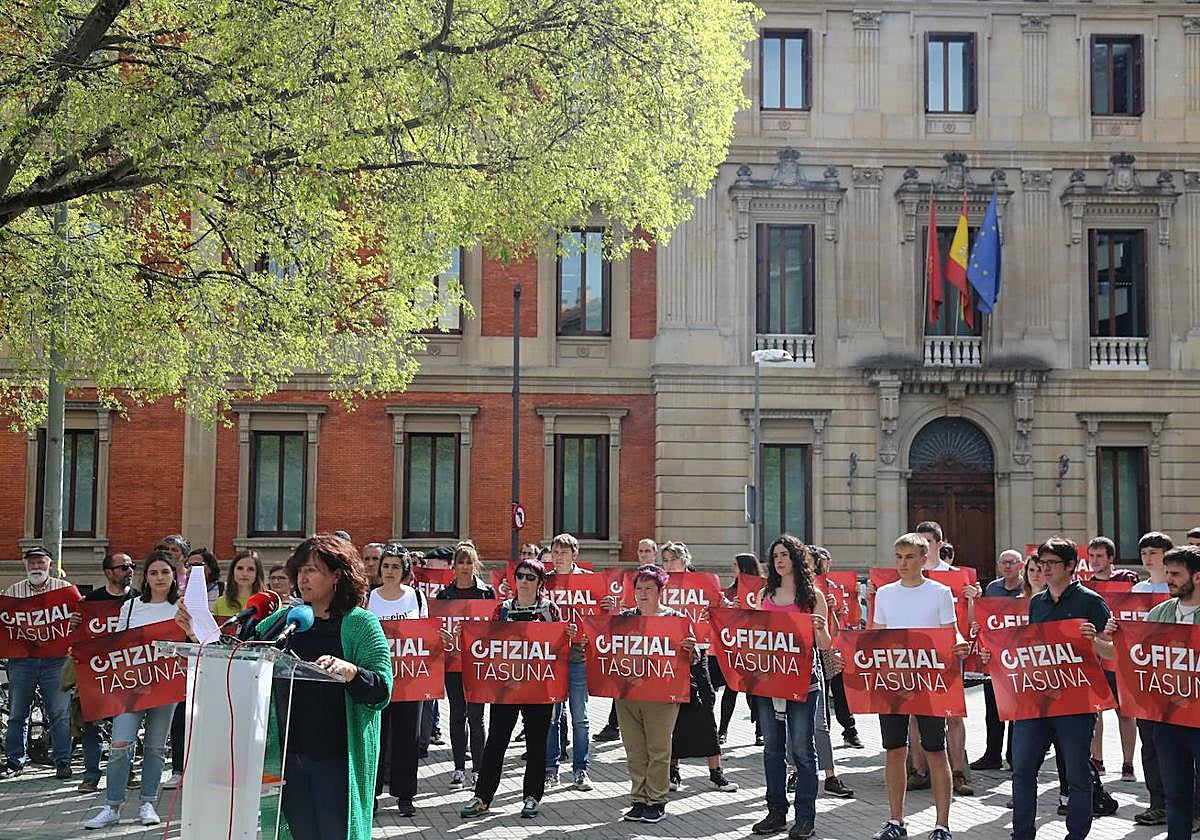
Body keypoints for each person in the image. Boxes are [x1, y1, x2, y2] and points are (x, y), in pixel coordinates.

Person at [203, 533, 391, 840]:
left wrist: (351, 671)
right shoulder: (287, 621)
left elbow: (381, 690)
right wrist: (198, 631)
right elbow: (242, 653)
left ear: (337, 575)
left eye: (312, 570)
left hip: (337, 759)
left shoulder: (361, 624)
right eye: (300, 571)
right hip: (290, 757)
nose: (303, 578)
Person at [1000, 537, 1114, 840]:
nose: (1044, 569)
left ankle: (1076, 834)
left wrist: (1094, 641)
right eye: (1042, 563)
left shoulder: (1091, 601)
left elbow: (1115, 653)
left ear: (1070, 566)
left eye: (1052, 563)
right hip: (1036, 700)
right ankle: (1022, 833)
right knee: (1023, 769)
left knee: (1077, 773)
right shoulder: (1037, 602)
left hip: (1076, 703)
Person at [868, 533, 969, 840]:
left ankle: (941, 825)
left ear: (924, 560)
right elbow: (877, 636)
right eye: (898, 557)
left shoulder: (939, 592)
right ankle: (895, 821)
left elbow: (952, 632)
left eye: (909, 557)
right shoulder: (885, 594)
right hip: (893, 682)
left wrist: (960, 644)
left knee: (935, 751)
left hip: (930, 682)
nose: (903, 563)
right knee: (894, 751)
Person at [83, 551, 182, 829]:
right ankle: (112, 806)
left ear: (173, 576)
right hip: (130, 686)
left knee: (155, 747)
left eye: (165, 572)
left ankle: (148, 803)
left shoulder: (182, 607)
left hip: (166, 685)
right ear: (145, 577)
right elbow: (117, 645)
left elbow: (198, 642)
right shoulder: (130, 607)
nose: (159, 578)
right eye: (154, 573)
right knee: (120, 744)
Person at [459, 558, 562, 820]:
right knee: (496, 741)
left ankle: (532, 797)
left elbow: (558, 648)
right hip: (506, 686)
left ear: (540, 582)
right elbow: (488, 643)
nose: (524, 581)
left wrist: (568, 635)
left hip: (538, 686)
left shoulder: (550, 610)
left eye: (530, 577)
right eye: (520, 576)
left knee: (536, 743)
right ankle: (482, 797)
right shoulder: (502, 610)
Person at [749, 535, 833, 840]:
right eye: (775, 556)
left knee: (802, 749)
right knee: (772, 748)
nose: (779, 561)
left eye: (784, 554)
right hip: (769, 680)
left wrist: (819, 629)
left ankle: (805, 818)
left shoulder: (813, 596)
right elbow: (754, 634)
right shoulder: (765, 594)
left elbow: (825, 644)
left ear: (796, 558)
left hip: (803, 681)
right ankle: (776, 812)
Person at [1116, 544, 1200, 839]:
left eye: (1175, 574)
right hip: (1167, 721)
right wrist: (1105, 641)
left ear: (1198, 577)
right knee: (1176, 794)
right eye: (1167, 573)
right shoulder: (1159, 613)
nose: (1169, 580)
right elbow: (1133, 658)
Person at [614, 564, 696, 824]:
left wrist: (691, 649)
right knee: (634, 749)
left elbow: (694, 658)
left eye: (648, 588)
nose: (642, 593)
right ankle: (639, 799)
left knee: (658, 749)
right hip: (628, 693)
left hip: (662, 694)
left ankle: (657, 801)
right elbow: (607, 649)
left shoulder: (675, 618)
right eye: (638, 588)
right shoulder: (624, 618)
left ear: (661, 591)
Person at [661, 541, 737, 794]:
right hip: (670, 655)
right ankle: (673, 771)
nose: (668, 565)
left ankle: (716, 772)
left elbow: (722, 610)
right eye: (665, 560)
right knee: (673, 713)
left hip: (698, 654)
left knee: (706, 709)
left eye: (672, 559)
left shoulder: (703, 584)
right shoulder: (660, 585)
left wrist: (721, 609)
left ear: (684, 561)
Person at [908, 521, 976, 798]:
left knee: (954, 713)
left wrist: (973, 600)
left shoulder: (957, 577)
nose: (922, 546)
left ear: (939, 544)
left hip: (948, 651)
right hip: (916, 652)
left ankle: (957, 772)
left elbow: (970, 622)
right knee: (915, 712)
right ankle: (918, 769)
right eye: (918, 541)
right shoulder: (908, 574)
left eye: (927, 541)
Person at [1, 546, 75, 781]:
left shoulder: (65, 590)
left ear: (49, 564)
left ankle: (63, 761)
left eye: (40, 562)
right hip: (22, 660)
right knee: (17, 713)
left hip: (56, 660)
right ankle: (15, 761)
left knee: (59, 713)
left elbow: (80, 618)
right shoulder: (13, 592)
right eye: (32, 563)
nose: (36, 567)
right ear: (25, 565)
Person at [70, 553, 138, 793]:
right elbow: (77, 637)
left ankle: (127, 772)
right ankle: (90, 776)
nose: (130, 570)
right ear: (109, 573)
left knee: (126, 725)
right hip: (95, 673)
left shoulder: (139, 599)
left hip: (127, 673)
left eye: (131, 566)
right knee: (92, 726)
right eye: (123, 567)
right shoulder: (91, 601)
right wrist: (74, 624)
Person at [367, 543, 427, 817]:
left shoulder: (416, 597)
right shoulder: (369, 598)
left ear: (405, 570)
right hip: (378, 678)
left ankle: (405, 795)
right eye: (386, 566)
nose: (389, 571)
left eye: (395, 566)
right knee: (376, 737)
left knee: (407, 738)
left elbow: (425, 633)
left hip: (409, 679)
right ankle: (372, 794)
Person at [435, 540, 494, 789]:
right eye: (461, 562)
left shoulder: (487, 593)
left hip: (478, 664)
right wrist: (442, 635)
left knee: (476, 717)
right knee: (457, 714)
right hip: (453, 664)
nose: (465, 567)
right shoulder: (444, 596)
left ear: (475, 565)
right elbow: (435, 628)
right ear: (454, 566)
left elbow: (495, 628)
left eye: (469, 562)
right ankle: (459, 768)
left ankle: (479, 770)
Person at [594, 537, 662, 744]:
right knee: (626, 678)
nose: (643, 554)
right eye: (641, 551)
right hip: (633, 633)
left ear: (655, 553)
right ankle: (615, 724)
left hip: (657, 634)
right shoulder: (630, 577)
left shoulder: (664, 576)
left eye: (647, 551)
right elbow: (624, 605)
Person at [1084, 536, 1138, 782]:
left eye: (1099, 556)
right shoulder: (1086, 586)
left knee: (1125, 712)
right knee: (1096, 712)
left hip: (1120, 656)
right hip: (1095, 656)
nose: (1094, 561)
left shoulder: (1128, 580)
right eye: (1091, 556)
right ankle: (1097, 760)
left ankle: (1128, 764)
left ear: (1110, 558)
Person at [543, 533, 593, 791]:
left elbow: (602, 619)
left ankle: (581, 769)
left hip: (578, 658)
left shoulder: (590, 582)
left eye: (564, 552)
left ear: (575, 554)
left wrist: (608, 605)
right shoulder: (544, 581)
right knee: (551, 717)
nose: (558, 557)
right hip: (551, 660)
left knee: (579, 717)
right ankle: (550, 769)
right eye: (555, 552)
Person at [1130, 531, 1173, 826]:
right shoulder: (1137, 589)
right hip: (1147, 678)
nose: (1147, 558)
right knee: (1150, 744)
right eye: (1143, 553)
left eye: (1153, 552)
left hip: (1176, 677)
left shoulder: (1178, 591)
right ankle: (1157, 802)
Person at [970, 549, 1023, 772]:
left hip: (1019, 660)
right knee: (993, 710)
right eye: (1004, 562)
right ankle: (992, 754)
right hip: (995, 659)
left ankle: (1014, 755)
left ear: (1020, 566)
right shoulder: (992, 588)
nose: (1007, 566)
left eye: (1012, 562)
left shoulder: (1028, 589)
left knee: (1017, 711)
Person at [812, 545, 861, 749]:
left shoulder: (835, 586)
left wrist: (846, 604)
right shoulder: (802, 588)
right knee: (821, 693)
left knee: (840, 691)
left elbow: (850, 618)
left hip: (834, 644)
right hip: (813, 645)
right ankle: (823, 736)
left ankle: (850, 731)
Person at [718, 553, 762, 745]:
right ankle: (722, 731)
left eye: (735, 565)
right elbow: (721, 618)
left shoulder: (763, 590)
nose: (731, 568)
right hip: (735, 647)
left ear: (744, 568)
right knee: (731, 688)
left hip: (755, 647)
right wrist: (728, 607)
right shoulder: (729, 593)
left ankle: (760, 731)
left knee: (757, 692)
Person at [211, 549, 266, 618]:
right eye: (240, 568)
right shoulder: (220, 603)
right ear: (233, 571)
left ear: (257, 573)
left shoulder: (267, 604)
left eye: (251, 569)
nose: (244, 574)